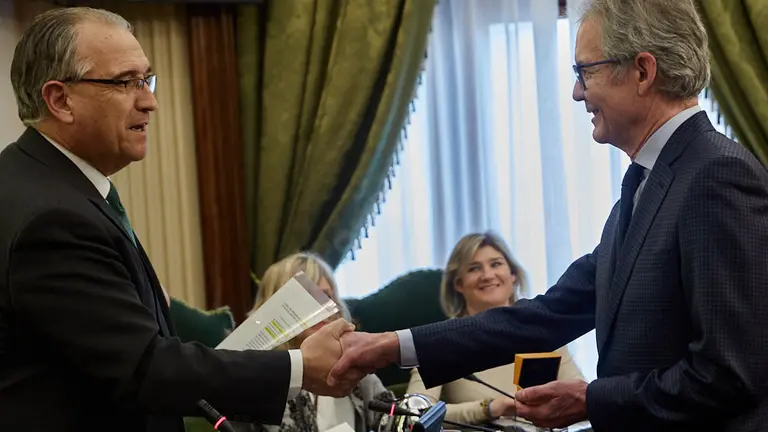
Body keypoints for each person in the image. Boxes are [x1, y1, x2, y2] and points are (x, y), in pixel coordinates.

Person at [328, 0, 768, 430]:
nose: (577, 92)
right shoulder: (646, 182)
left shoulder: (716, 176)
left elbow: (730, 373)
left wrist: (593, 400)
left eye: (585, 71)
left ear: (642, 71)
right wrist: (391, 345)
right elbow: (547, 315)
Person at [0, 7, 363, 432]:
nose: (149, 100)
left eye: (147, 80)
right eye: (125, 82)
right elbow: (144, 369)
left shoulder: (39, 182)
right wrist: (298, 367)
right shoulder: (53, 216)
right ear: (60, 100)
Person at [406, 232, 584, 425]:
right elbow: (413, 414)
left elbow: (582, 403)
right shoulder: (441, 341)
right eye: (474, 268)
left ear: (513, 274)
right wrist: (490, 408)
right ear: (459, 284)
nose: (488, 275)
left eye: (496, 264)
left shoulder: (543, 332)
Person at [247, 252, 393, 432]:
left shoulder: (355, 371)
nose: (321, 308)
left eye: (326, 297)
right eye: (306, 297)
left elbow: (393, 422)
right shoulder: (256, 379)